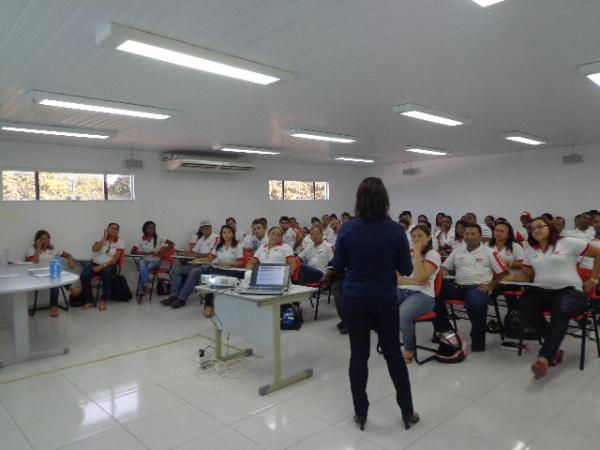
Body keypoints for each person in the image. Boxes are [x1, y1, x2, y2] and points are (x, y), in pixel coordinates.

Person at [322, 177, 418, 431]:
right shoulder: (396, 230)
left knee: (359, 355)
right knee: (393, 355)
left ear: (359, 199)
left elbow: (338, 263)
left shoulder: (348, 229)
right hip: (385, 299)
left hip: (354, 298)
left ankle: (361, 413)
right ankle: (407, 412)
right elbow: (406, 268)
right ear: (385, 200)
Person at [504, 217, 600, 379]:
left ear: (549, 227)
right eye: (532, 229)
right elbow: (527, 274)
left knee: (561, 307)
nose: (536, 230)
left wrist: (593, 279)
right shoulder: (530, 250)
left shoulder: (567, 242)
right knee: (524, 302)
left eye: (540, 226)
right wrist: (510, 278)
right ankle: (553, 347)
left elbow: (598, 254)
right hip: (543, 291)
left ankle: (545, 358)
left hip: (570, 291)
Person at [432, 224, 509, 351]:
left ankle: (477, 340)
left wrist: (490, 285)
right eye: (467, 233)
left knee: (475, 302)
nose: (469, 236)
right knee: (430, 296)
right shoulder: (457, 251)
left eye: (473, 234)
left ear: (480, 236)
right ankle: (447, 332)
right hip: (458, 286)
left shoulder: (490, 252)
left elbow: (504, 273)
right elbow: (446, 268)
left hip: (478, 287)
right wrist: (444, 272)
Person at [161, 225, 244, 314]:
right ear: (222, 234)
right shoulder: (219, 246)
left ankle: (206, 304)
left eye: (229, 232)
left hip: (228, 271)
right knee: (192, 271)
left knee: (210, 280)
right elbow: (210, 258)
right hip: (214, 267)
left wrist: (230, 263)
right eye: (224, 232)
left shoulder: (237, 246)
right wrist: (199, 260)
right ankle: (178, 298)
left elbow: (241, 263)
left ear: (233, 234)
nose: (226, 234)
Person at [397, 225, 440, 363]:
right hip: (403, 289)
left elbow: (422, 277)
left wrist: (416, 252)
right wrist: (415, 282)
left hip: (424, 295)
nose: (416, 239)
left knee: (402, 314)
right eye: (414, 236)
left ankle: (408, 350)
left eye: (420, 236)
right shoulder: (406, 253)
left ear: (429, 237)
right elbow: (396, 279)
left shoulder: (433, 254)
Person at [25, 230, 75, 317]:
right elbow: (34, 261)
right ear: (38, 240)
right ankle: (70, 288)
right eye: (43, 239)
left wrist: (70, 259)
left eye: (48, 238)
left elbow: (68, 255)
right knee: (55, 280)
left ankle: (54, 306)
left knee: (56, 278)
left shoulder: (53, 248)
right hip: (38, 275)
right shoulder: (31, 249)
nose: (47, 240)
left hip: (51, 273)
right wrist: (38, 248)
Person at [80, 223, 125, 311]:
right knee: (84, 275)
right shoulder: (102, 238)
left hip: (110, 265)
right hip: (96, 262)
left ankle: (104, 299)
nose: (114, 230)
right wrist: (104, 238)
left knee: (106, 273)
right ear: (107, 230)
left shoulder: (120, 242)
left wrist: (102, 266)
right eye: (112, 228)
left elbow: (115, 258)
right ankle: (89, 300)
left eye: (116, 229)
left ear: (118, 231)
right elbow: (94, 249)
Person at [131, 221, 173, 303]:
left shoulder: (159, 237)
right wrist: (147, 253)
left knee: (143, 269)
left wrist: (164, 249)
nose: (152, 229)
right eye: (150, 228)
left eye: (153, 227)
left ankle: (141, 292)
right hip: (146, 260)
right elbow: (133, 251)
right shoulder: (141, 239)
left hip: (156, 261)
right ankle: (145, 287)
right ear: (145, 229)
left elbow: (171, 243)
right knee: (143, 264)